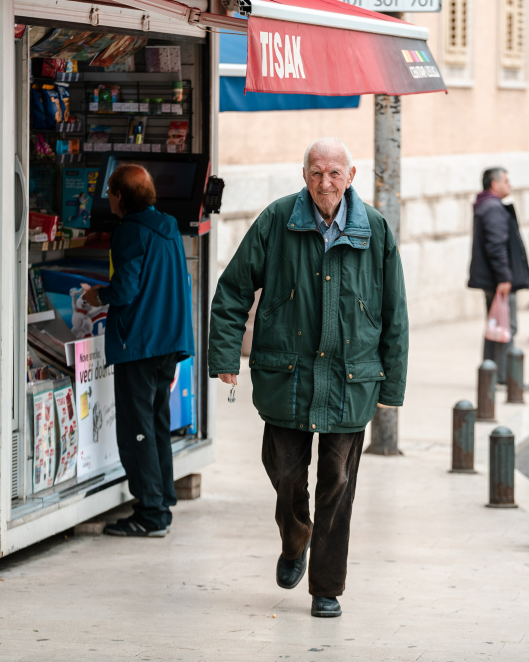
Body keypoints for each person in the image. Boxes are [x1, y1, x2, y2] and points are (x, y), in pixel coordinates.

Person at [208, 137, 409, 620]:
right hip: (287, 375)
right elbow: (234, 288)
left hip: (350, 378)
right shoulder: (277, 220)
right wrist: (226, 355)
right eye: (316, 173)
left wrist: (392, 384)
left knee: (337, 484)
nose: (325, 183)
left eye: (334, 173)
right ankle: (295, 538)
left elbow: (393, 311)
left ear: (351, 176)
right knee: (284, 474)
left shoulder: (375, 230)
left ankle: (326, 586)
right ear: (304, 175)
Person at [82, 165, 195, 538]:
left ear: (120, 197)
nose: (109, 198)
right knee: (157, 423)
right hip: (167, 340)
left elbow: (126, 290)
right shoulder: (168, 226)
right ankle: (161, 496)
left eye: (111, 192)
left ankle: (151, 513)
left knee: (137, 429)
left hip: (139, 343)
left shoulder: (129, 232)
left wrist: (99, 295)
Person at [467, 167, 529, 383]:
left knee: (495, 326)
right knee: (506, 327)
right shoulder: (493, 208)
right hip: (500, 280)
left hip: (492, 278)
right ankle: (504, 377)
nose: (509, 184)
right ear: (494, 184)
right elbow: (496, 245)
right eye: (506, 180)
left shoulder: (485, 205)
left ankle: (490, 373)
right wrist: (504, 277)